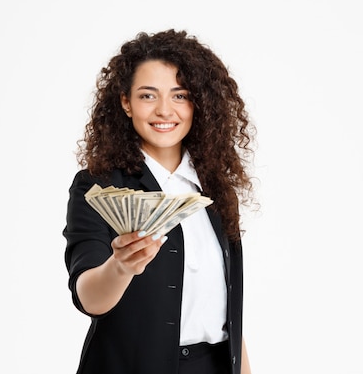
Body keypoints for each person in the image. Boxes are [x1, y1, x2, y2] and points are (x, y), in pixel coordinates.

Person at [62, 29, 256, 374]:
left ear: (198, 102)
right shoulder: (95, 185)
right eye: (148, 96)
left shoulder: (214, 187)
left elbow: (228, 306)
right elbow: (89, 298)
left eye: (179, 95)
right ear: (126, 102)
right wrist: (121, 266)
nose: (165, 110)